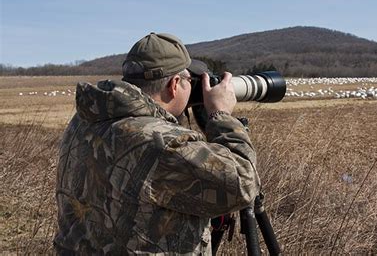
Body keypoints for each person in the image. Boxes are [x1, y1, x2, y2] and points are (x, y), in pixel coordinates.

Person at [54, 32, 261, 255]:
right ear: (173, 85)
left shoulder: (86, 120)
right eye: (190, 82)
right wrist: (220, 116)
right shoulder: (165, 144)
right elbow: (244, 184)